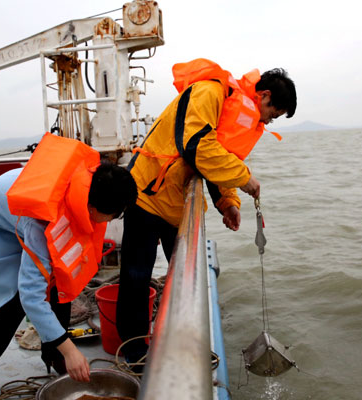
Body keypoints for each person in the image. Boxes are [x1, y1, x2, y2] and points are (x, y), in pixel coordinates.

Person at [116, 58, 297, 366]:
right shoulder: (210, 93)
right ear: (264, 96)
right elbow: (197, 147)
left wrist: (228, 203)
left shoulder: (239, 112)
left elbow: (221, 156)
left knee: (185, 279)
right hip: (147, 195)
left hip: (177, 206)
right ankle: (133, 354)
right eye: (272, 115)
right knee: (136, 277)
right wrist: (244, 178)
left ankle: (179, 341)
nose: (266, 123)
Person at [0, 136, 137, 400]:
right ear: (93, 208)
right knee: (14, 301)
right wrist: (72, 351)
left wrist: (62, 347)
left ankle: (53, 353)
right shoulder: (42, 221)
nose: (113, 220)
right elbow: (31, 296)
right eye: (114, 215)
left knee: (62, 283)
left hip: (12, 218)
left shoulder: (86, 188)